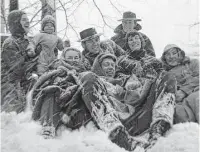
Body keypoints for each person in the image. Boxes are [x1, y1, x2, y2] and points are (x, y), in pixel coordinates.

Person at [1, 10, 36, 113]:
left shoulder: (27, 42)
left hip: (24, 84)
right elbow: (18, 69)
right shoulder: (10, 44)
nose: (28, 22)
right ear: (16, 23)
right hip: (11, 88)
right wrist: (36, 61)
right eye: (24, 20)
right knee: (14, 119)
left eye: (28, 20)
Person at [161, 44, 199, 123]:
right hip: (179, 100)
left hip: (195, 92)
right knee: (180, 115)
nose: (171, 56)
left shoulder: (193, 63)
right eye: (168, 54)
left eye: (174, 53)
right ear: (164, 58)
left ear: (180, 54)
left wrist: (184, 91)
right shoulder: (164, 73)